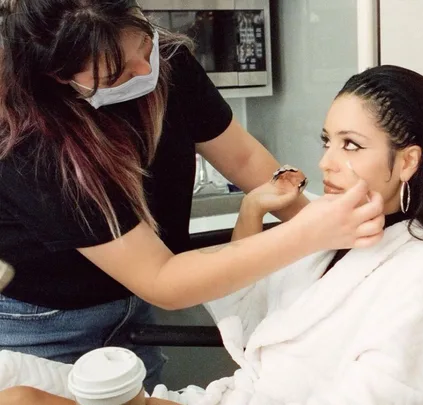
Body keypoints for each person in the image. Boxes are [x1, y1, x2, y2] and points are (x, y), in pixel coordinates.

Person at [2, 64, 423, 405]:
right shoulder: (331, 232)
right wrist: (252, 209)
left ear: (407, 161)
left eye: (351, 146)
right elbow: (255, 328)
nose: (325, 163)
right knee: (13, 386)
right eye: (327, 142)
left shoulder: (422, 268)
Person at [0, 0, 385, 393]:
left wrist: (327, 233)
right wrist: (312, 234)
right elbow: (161, 279)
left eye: (144, 46)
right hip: (44, 327)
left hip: (131, 309)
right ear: (57, 77)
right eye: (116, 74)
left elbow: (244, 157)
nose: (145, 71)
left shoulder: (170, 63)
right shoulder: (30, 146)